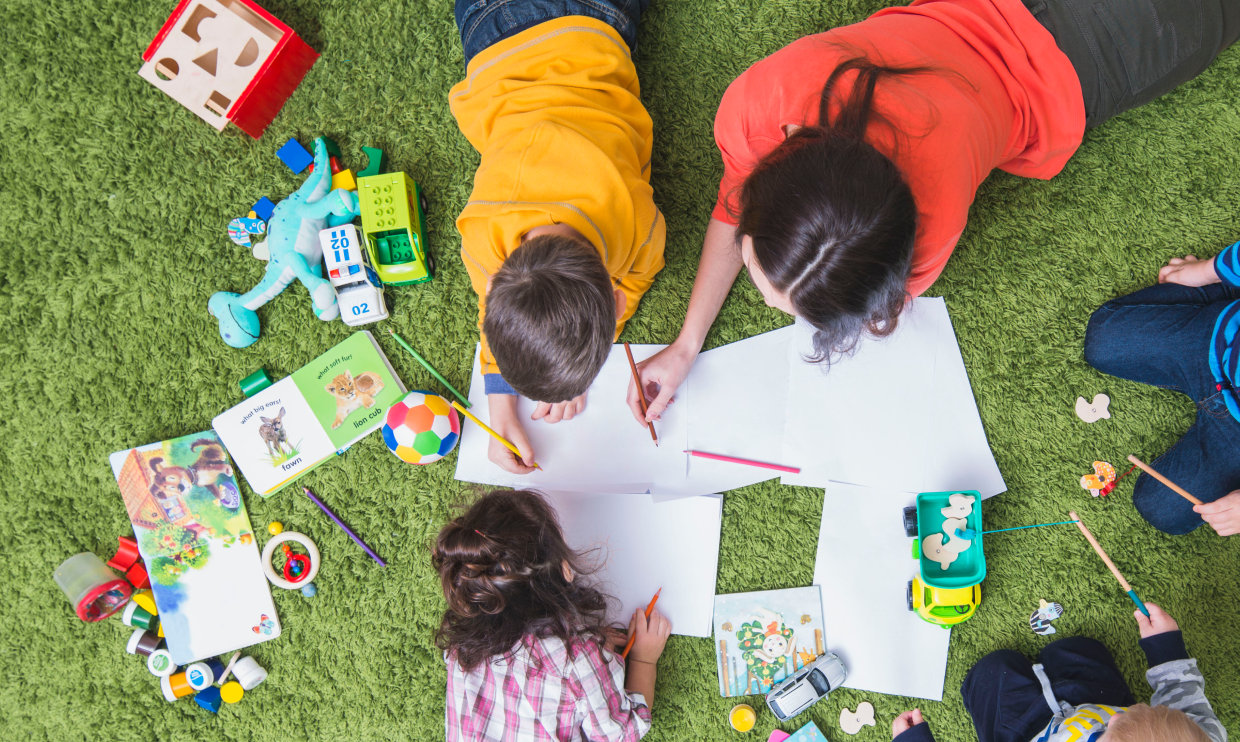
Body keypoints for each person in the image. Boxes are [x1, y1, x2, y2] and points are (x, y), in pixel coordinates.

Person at [627, 0, 1240, 425]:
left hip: (1097, 61)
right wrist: (685, 345)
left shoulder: (930, 227)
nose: (770, 305)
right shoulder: (765, 101)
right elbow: (736, 207)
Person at [449, 0, 664, 475]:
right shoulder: (483, 233)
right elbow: (494, 310)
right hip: (496, 34)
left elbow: (638, 276)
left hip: (593, 22)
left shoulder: (637, 223)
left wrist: (587, 343)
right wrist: (501, 403)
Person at [434, 489, 671, 741]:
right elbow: (622, 733)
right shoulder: (576, 659)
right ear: (565, 570)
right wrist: (644, 659)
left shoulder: (461, 647)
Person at [889, 603, 1225, 742]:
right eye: (1143, 713)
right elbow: (1188, 701)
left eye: (1109, 733)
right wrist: (1165, 647)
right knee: (1079, 649)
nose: (1115, 720)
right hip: (1094, 701)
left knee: (992, 672)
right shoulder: (1198, 736)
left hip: (1027, 733)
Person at [1084, 242, 1240, 536]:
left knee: (1162, 508)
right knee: (1103, 340)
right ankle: (1226, 289)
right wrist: (1207, 272)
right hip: (1219, 340)